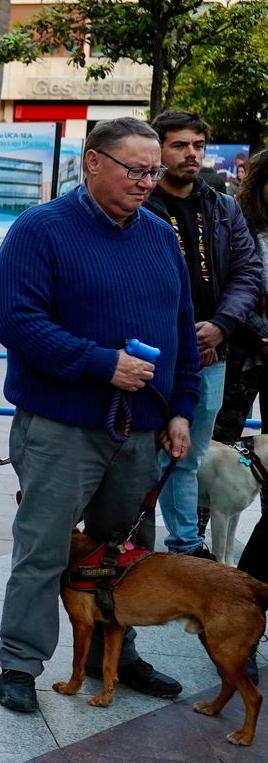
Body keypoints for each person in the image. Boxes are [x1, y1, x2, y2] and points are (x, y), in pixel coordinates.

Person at [0, 116, 199, 714]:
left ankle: (121, 654)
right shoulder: (41, 230)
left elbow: (180, 332)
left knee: (127, 553)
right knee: (45, 548)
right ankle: (21, 663)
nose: (146, 181)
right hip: (61, 426)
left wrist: (180, 409)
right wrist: (99, 363)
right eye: (135, 169)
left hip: (141, 430)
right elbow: (18, 323)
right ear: (92, 162)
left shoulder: (160, 236)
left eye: (152, 171)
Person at [143, 110, 260, 560]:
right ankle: (130, 543)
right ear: (158, 150)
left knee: (185, 455)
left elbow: (248, 272)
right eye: (179, 145)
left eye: (197, 145)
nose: (191, 154)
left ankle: (186, 548)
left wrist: (220, 325)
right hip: (150, 353)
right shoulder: (141, 200)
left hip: (210, 352)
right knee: (135, 455)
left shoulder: (222, 205)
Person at [209, 147, 268, 525]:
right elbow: (234, 285)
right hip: (243, 352)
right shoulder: (238, 222)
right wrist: (261, 335)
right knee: (217, 445)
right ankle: (196, 544)